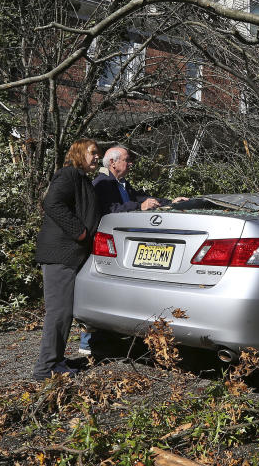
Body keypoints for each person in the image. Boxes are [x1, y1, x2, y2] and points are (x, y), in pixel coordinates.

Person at [80, 145, 186, 355]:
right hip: (107, 244)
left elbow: (140, 198)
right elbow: (109, 210)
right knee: (103, 289)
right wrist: (139, 208)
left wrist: (169, 202)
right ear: (113, 163)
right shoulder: (102, 184)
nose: (130, 164)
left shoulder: (121, 183)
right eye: (126, 160)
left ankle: (107, 337)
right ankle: (88, 342)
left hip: (122, 245)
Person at [32, 138, 101, 380]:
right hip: (60, 254)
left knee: (63, 312)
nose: (97, 157)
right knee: (59, 312)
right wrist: (79, 231)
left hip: (70, 255)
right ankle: (45, 368)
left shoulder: (82, 179)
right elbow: (51, 202)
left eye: (98, 154)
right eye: (93, 153)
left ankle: (55, 361)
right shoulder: (68, 174)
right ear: (80, 153)